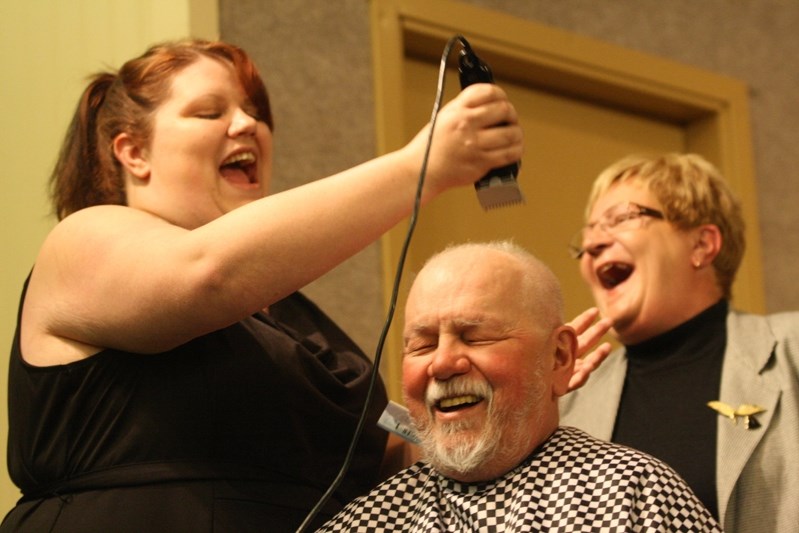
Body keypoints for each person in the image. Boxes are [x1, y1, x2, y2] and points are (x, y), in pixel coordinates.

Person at [0, 39, 525, 532]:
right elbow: (205, 275)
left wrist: (507, 385)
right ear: (133, 152)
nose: (246, 124)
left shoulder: (290, 313)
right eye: (210, 112)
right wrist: (420, 167)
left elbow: (387, 447)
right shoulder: (83, 239)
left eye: (254, 112)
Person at [319, 241, 720, 532]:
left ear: (559, 358)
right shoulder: (362, 522)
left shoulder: (634, 494)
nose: (441, 363)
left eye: (476, 337)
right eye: (422, 344)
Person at [560, 153, 799, 533]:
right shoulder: (568, 402)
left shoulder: (793, 350)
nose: (592, 245)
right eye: (586, 236)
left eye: (622, 218)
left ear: (702, 245)